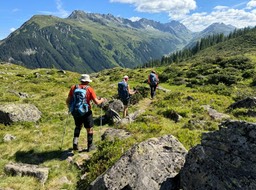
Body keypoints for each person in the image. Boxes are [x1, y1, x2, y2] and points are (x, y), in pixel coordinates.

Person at [66, 74, 105, 152]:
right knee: (89, 129)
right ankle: (90, 146)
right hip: (86, 112)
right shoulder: (89, 89)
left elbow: (68, 100)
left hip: (75, 111)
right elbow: (96, 102)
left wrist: (70, 108)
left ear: (81, 80)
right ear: (87, 81)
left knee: (78, 126)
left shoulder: (73, 87)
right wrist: (102, 100)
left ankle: (75, 142)